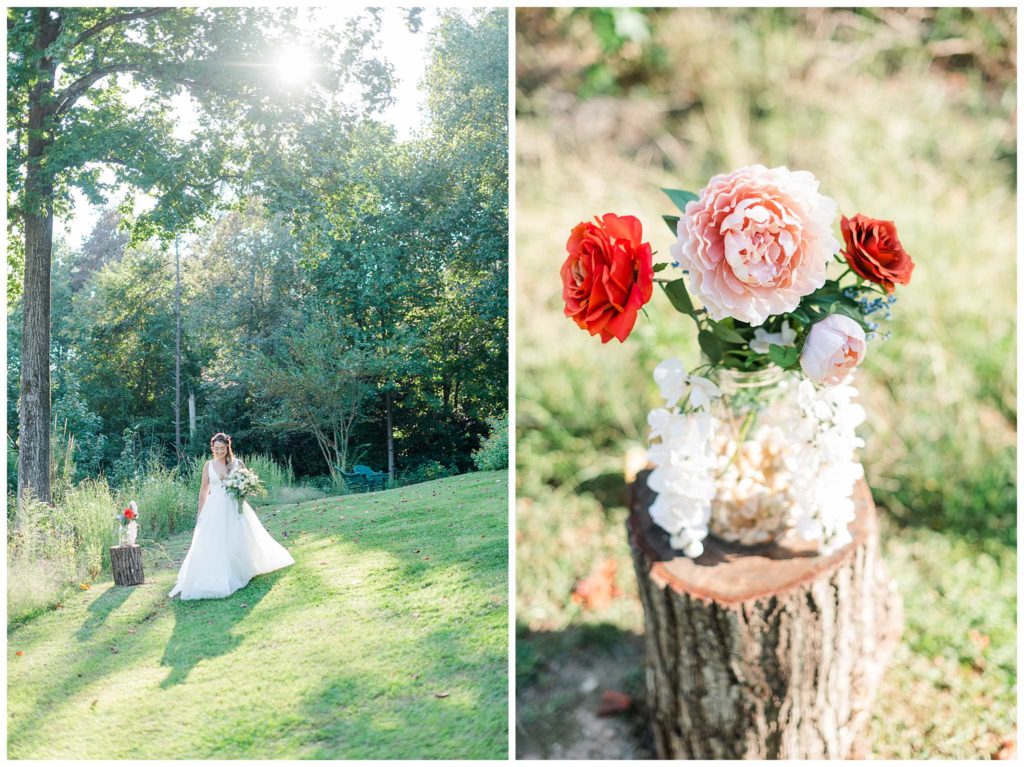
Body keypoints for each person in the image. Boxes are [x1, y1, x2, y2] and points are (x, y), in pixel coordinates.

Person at [169, 433, 294, 599]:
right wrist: (201, 512)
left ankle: (243, 569)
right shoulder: (208, 466)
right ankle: (217, 574)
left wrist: (242, 494)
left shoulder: (238, 463)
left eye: (222, 448)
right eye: (216, 449)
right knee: (216, 540)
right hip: (214, 508)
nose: (219, 451)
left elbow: (246, 485)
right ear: (212, 448)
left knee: (239, 537)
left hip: (235, 506)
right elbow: (204, 490)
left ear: (228, 447)